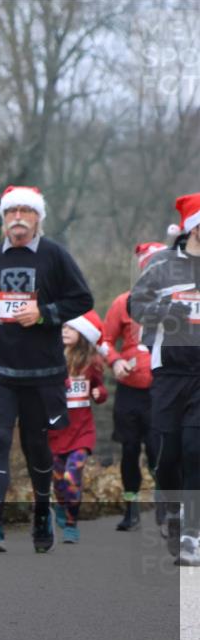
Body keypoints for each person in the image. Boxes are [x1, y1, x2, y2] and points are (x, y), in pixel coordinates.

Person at [0, 185, 94, 554]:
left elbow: (82, 298)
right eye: (11, 212)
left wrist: (44, 314)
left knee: (37, 444)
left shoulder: (54, 256)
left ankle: (42, 510)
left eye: (26, 211)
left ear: (38, 217)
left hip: (42, 370)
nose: (18, 218)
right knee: (0, 438)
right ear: (4, 218)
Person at [129, 192, 200, 567]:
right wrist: (164, 310)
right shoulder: (161, 266)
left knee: (194, 449)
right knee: (168, 454)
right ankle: (171, 513)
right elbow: (135, 306)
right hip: (169, 370)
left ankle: (192, 533)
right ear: (192, 227)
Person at [101, 242, 165, 531]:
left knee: (158, 452)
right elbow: (104, 342)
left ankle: (166, 509)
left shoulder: (176, 303)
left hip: (161, 392)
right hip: (129, 391)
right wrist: (115, 362)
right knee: (129, 451)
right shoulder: (123, 302)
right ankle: (131, 509)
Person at [49, 312, 108, 544]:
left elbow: (101, 390)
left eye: (71, 328)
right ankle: (61, 507)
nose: (64, 331)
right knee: (57, 479)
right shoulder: (51, 357)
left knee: (72, 474)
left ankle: (72, 523)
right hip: (56, 431)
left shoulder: (91, 363)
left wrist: (98, 393)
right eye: (62, 327)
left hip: (82, 430)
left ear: (82, 335)